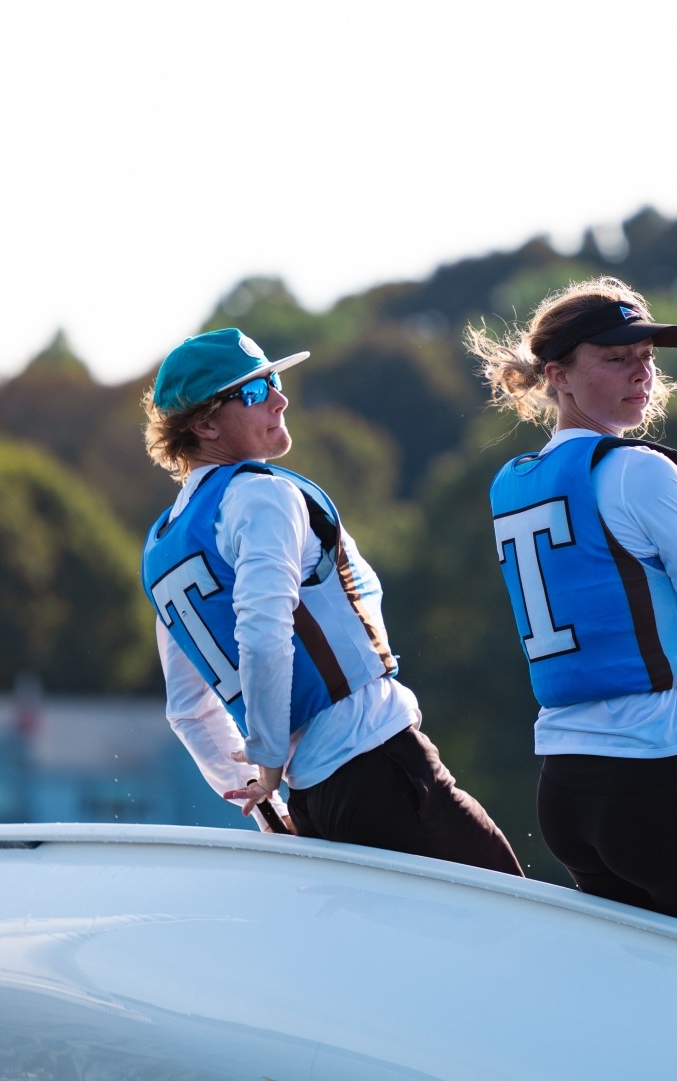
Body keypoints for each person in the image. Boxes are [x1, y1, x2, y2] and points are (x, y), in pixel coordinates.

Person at [140, 327, 521, 876]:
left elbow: (189, 711)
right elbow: (264, 633)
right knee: (518, 913)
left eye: (274, 381)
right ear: (204, 424)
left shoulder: (160, 546)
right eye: (254, 392)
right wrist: (268, 757)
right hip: (376, 762)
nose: (279, 399)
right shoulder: (260, 493)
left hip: (312, 799)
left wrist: (270, 807)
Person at [468, 278, 677, 937]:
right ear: (558, 376)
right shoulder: (641, 471)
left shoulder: (512, 483)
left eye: (646, 356)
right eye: (615, 357)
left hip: (566, 791)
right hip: (660, 773)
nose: (641, 371)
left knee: (648, 987)